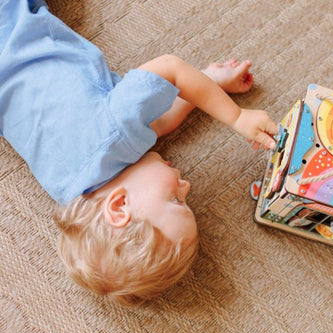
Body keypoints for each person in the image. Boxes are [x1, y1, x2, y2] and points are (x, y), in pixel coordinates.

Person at [0, 0, 278, 306]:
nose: (186, 187)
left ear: (118, 206)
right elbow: (156, 122)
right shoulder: (69, 188)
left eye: (175, 200)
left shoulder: (115, 133)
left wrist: (236, 117)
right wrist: (210, 82)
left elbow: (171, 69)